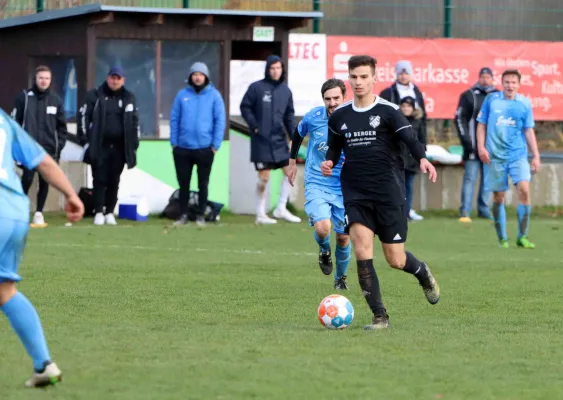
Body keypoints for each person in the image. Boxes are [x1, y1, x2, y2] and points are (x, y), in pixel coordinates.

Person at [320, 55, 440, 330]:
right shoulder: (339, 117)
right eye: (354, 76)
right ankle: (379, 317)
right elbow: (334, 149)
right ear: (348, 78)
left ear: (374, 78)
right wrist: (329, 161)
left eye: (364, 76)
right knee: (362, 252)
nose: (358, 82)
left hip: (388, 192)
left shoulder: (388, 111)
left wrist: (422, 158)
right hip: (356, 192)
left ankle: (423, 273)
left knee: (395, 259)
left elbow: (410, 138)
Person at [0, 107, 84, 387]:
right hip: (13, 211)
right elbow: (43, 161)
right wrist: (71, 194)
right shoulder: (4, 120)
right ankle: (43, 364)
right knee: (5, 290)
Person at [287, 78, 351, 290]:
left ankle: (340, 279)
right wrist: (292, 161)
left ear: (344, 97)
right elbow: (298, 133)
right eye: (328, 99)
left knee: (343, 236)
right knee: (323, 228)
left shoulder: (354, 119)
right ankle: (324, 250)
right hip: (317, 181)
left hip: (345, 185)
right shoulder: (314, 116)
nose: (332, 103)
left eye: (336, 98)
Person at [476, 69, 540, 249]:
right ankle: (502, 238)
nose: (510, 86)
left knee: (524, 190)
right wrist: (481, 147)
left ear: (519, 85)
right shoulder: (492, 100)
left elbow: (528, 129)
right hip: (495, 156)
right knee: (498, 197)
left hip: (518, 155)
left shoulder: (524, 104)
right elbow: (481, 124)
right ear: (502, 83)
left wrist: (535, 155)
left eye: (513, 82)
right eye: (507, 82)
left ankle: (522, 236)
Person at [240, 55, 301, 225]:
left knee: (290, 172)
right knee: (264, 177)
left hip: (279, 140)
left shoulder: (286, 91)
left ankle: (281, 208)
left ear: (282, 69)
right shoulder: (256, 88)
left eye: (278, 68)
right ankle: (260, 214)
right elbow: (245, 107)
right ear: (267, 69)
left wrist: (294, 136)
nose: (275, 71)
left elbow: (289, 116)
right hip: (261, 139)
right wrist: (254, 125)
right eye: (272, 68)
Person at [78, 66, 139, 226]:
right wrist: (85, 142)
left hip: (120, 146)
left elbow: (134, 122)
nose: (115, 81)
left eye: (118, 78)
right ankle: (98, 211)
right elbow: (83, 117)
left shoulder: (128, 97)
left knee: (114, 179)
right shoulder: (95, 95)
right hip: (99, 144)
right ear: (107, 78)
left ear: (123, 80)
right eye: (113, 77)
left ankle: (110, 212)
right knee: (99, 178)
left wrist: (133, 145)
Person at [170, 62, 226, 227]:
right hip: (183, 148)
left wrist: (215, 146)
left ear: (206, 76)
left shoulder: (215, 96)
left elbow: (220, 121)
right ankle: (183, 215)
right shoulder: (181, 95)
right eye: (195, 74)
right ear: (190, 77)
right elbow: (174, 119)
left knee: (203, 183)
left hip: (205, 149)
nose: (198, 77)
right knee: (184, 184)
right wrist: (174, 143)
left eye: (201, 74)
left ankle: (201, 215)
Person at [11, 65, 68, 227]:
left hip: (48, 150)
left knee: (45, 182)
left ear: (50, 81)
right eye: (41, 77)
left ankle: (39, 213)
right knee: (27, 180)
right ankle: (19, 212)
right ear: (35, 79)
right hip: (28, 149)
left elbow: (61, 127)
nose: (44, 81)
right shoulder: (24, 97)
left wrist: (59, 145)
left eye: (47, 78)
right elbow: (15, 123)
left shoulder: (56, 100)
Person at [380, 60, 427, 220]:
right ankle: (392, 209)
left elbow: (423, 122)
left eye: (406, 73)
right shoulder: (388, 93)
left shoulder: (417, 92)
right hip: (393, 147)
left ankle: (407, 210)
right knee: (393, 182)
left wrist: (423, 146)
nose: (404, 76)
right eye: (401, 72)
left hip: (411, 148)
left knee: (408, 183)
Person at [455, 67, 498, 222]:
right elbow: (460, 118)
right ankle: (465, 210)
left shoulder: (498, 96)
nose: (485, 80)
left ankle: (484, 209)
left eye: (488, 77)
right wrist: (467, 141)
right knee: (470, 179)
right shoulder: (469, 95)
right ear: (478, 78)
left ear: (493, 79)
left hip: (491, 148)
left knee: (488, 179)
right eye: (483, 77)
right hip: (472, 148)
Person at [399, 96, 426, 221]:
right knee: (398, 187)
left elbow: (422, 140)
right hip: (398, 159)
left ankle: (407, 212)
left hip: (412, 160)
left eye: (408, 106)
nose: (406, 109)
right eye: (403, 106)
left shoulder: (418, 121)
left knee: (409, 187)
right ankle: (398, 212)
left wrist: (421, 157)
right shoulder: (396, 120)